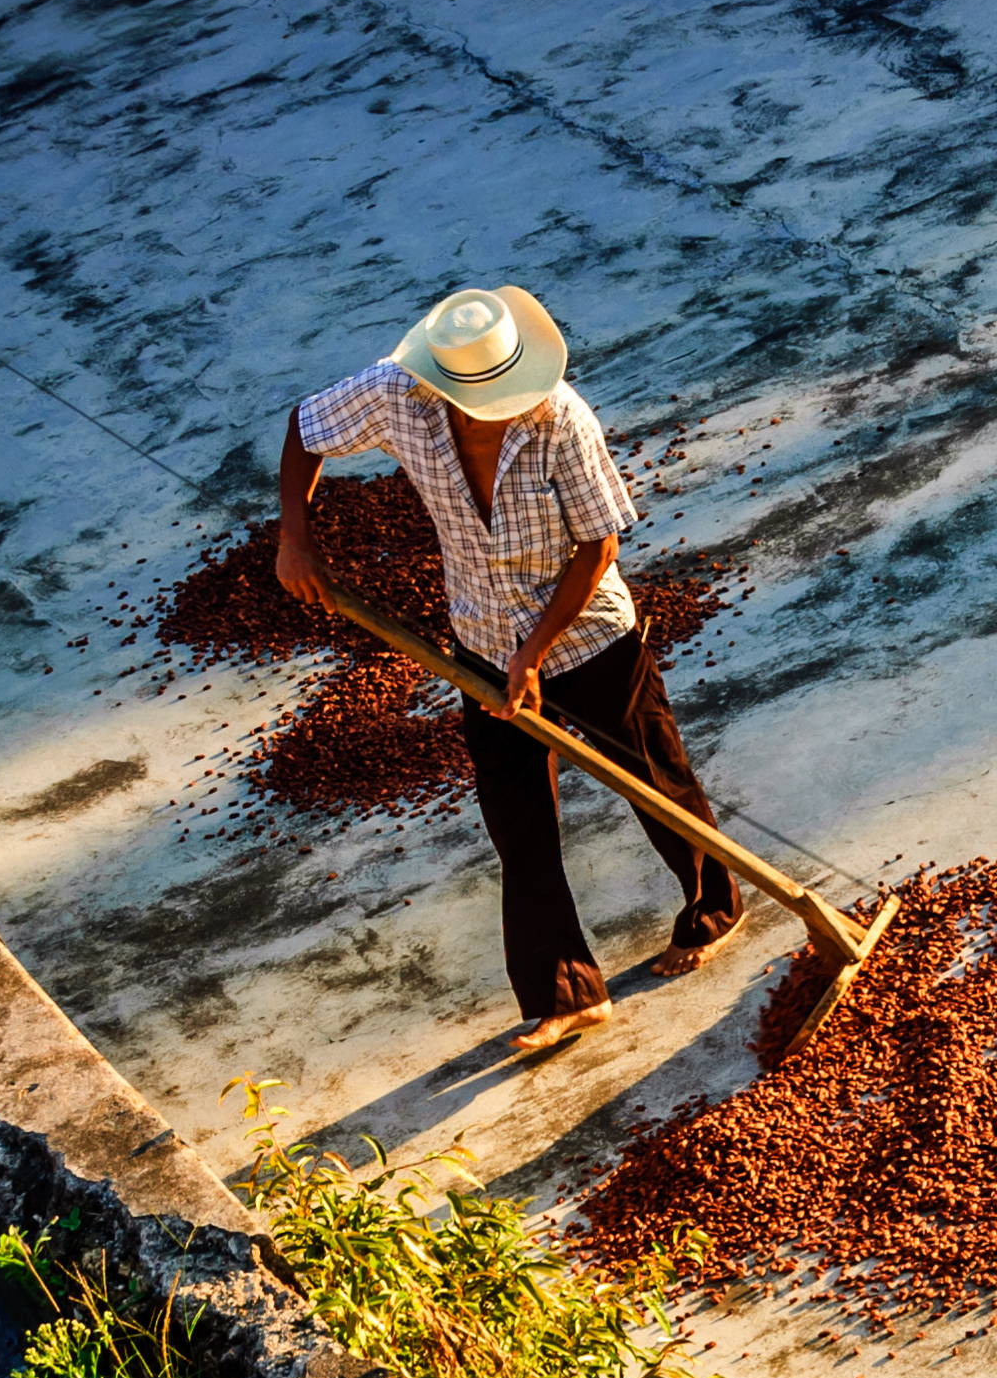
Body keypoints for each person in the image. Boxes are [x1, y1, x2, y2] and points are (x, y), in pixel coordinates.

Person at [273, 285, 740, 1050]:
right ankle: (564, 991)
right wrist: (296, 533)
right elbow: (304, 425)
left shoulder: (558, 418)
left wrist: (536, 654)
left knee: (656, 777)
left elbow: (599, 548)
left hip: (586, 634)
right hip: (481, 637)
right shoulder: (397, 393)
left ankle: (713, 905)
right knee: (517, 820)